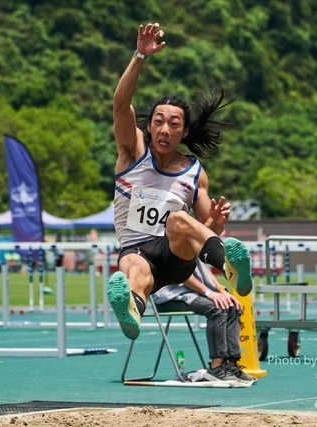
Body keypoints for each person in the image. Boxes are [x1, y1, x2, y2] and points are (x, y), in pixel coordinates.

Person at [107, 22, 253, 341]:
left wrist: (214, 224)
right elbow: (120, 104)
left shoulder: (194, 172)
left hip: (175, 257)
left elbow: (204, 235)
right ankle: (132, 307)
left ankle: (230, 265)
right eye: (158, 122)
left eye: (174, 124)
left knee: (177, 220)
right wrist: (139, 56)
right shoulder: (132, 151)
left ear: (183, 132)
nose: (164, 129)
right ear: (149, 127)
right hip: (137, 250)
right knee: (131, 268)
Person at [152, 258, 257, 384]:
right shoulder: (175, 240)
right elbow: (181, 275)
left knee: (232, 306)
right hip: (169, 297)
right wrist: (209, 293)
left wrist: (221, 291)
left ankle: (231, 366)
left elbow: (204, 270)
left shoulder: (193, 241)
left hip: (190, 292)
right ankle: (216, 367)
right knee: (217, 308)